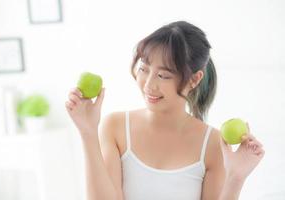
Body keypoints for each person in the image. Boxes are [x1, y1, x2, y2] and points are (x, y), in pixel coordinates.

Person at [65, 21, 265, 200]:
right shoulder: (115, 127)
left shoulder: (213, 143)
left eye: (163, 75)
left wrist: (236, 178)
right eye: (144, 69)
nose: (149, 85)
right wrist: (88, 132)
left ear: (194, 79)